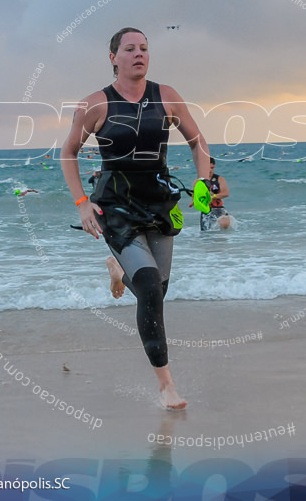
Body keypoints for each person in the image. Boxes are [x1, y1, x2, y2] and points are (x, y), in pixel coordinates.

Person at [61, 27, 211, 410]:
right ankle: (167, 386)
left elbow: (198, 142)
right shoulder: (95, 104)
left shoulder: (167, 96)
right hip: (115, 204)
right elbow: (69, 153)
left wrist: (203, 181)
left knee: (156, 293)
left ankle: (117, 270)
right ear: (113, 57)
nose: (139, 54)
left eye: (144, 48)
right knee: (147, 286)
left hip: (159, 201)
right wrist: (81, 202)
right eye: (130, 49)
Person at [201, 158, 232, 231]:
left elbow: (226, 193)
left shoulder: (219, 179)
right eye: (208, 168)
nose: (210, 170)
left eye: (212, 168)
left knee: (225, 226)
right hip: (206, 210)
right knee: (205, 234)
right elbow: (194, 196)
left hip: (219, 208)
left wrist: (213, 196)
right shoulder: (200, 181)